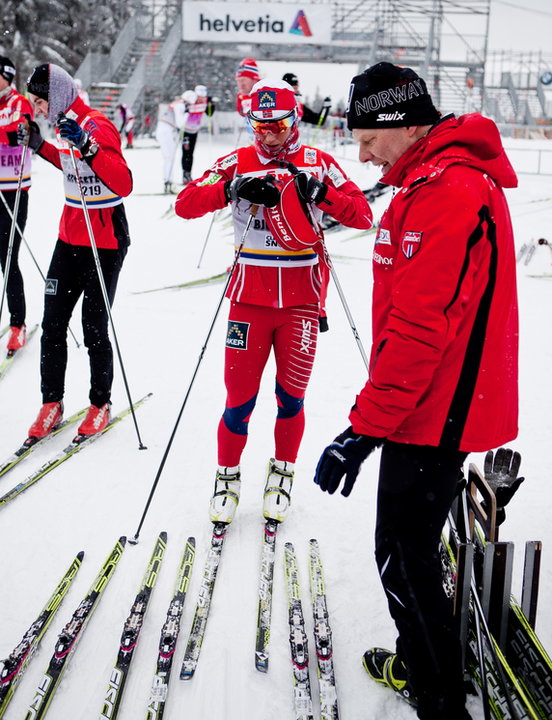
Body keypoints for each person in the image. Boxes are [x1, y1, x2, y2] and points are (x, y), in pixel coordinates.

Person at [313, 62, 519, 720]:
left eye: (369, 137)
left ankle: (438, 697)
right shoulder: (426, 182)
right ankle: (428, 665)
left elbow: (419, 329)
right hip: (427, 401)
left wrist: (362, 430)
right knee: (409, 550)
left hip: (438, 408)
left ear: (404, 127)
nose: (361, 151)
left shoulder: (449, 191)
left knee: (403, 557)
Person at [175, 78, 372, 526]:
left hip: (301, 301)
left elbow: (362, 214)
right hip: (248, 300)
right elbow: (186, 203)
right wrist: (230, 190)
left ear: (294, 122)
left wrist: (321, 194)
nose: (267, 137)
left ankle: (281, 475)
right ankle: (226, 479)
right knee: (239, 399)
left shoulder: (317, 163)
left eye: (277, 127)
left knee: (291, 398)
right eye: (258, 127)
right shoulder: (238, 161)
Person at [18, 63, 133, 439]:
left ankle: (101, 403)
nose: (35, 108)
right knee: (52, 324)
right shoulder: (64, 125)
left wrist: (89, 147)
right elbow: (69, 166)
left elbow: (124, 181)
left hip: (104, 242)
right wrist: (39, 145)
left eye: (38, 101)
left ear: (57, 98)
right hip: (69, 239)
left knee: (94, 328)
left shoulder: (96, 125)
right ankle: (52, 402)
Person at [0, 56, 33, 356]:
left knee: (8, 257)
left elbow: (16, 135)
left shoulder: (19, 103)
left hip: (14, 191)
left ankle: (17, 323)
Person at [155, 96, 186, 194]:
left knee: (168, 158)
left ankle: (168, 181)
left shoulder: (176, 104)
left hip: (165, 130)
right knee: (169, 158)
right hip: (166, 132)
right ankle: (168, 182)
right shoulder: (180, 105)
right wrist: (187, 115)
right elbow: (180, 123)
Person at [181, 85, 208, 184]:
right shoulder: (190, 102)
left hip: (194, 132)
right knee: (185, 153)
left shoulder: (205, 103)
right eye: (199, 96)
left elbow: (209, 113)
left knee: (191, 153)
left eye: (203, 96)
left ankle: (188, 174)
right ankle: (185, 173)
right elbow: (183, 109)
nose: (201, 98)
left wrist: (211, 105)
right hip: (186, 132)